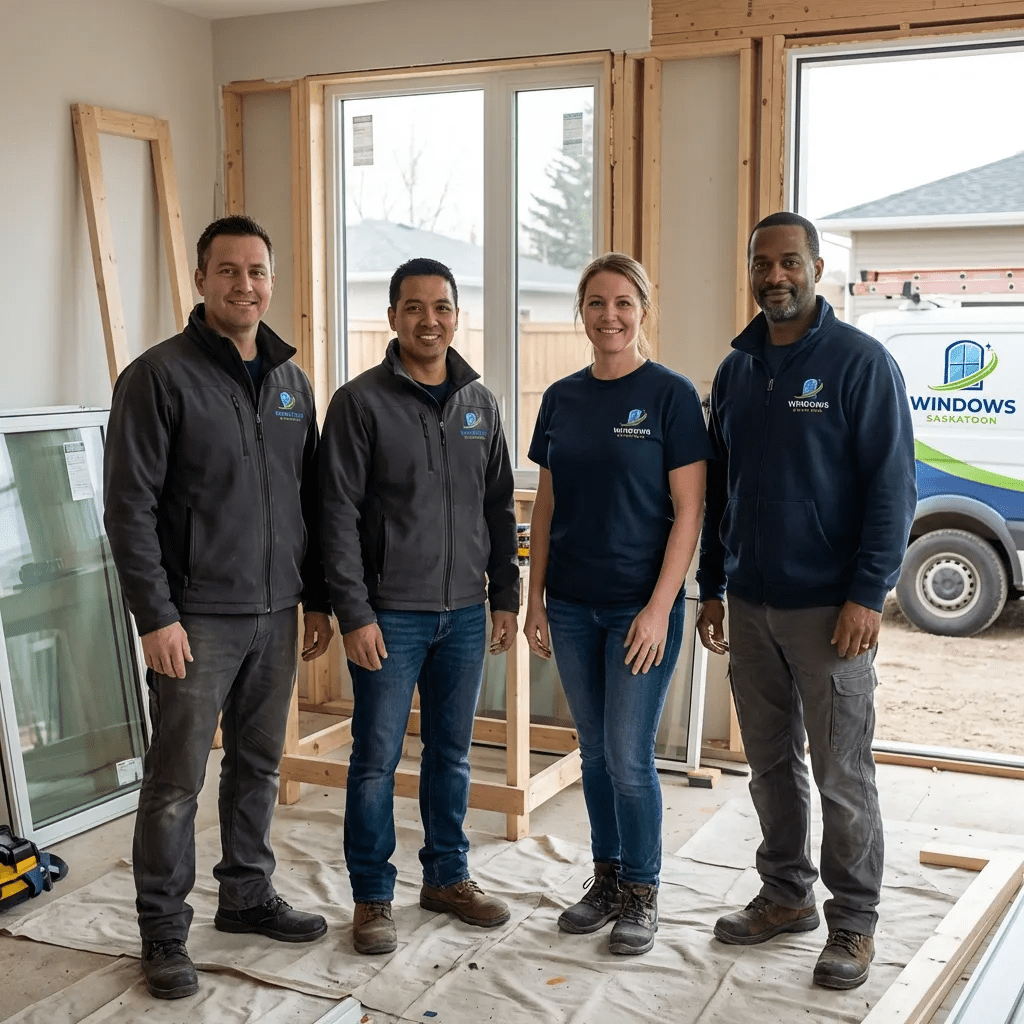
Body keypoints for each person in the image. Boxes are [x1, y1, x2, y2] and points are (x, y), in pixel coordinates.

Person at [103, 215, 334, 1000]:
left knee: (258, 766)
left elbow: (312, 499)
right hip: (194, 618)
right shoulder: (157, 377)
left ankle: (245, 896)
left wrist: (318, 600)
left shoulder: (293, 382)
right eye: (228, 271)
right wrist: (156, 616)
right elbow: (128, 508)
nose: (245, 285)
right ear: (200, 281)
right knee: (175, 783)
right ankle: (163, 932)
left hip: (277, 612)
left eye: (258, 271)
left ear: (272, 281)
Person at [696, 211, 916, 990]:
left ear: (817, 269)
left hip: (831, 613)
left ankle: (853, 921)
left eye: (790, 261)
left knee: (842, 773)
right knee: (768, 765)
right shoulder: (735, 371)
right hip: (750, 604)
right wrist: (712, 584)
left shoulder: (861, 364)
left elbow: (893, 490)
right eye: (763, 262)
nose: (775, 276)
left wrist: (867, 594)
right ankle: (787, 894)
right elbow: (722, 489)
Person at [320, 257, 519, 956]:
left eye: (440, 307)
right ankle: (373, 896)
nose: (427, 320)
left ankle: (447, 877)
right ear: (393, 317)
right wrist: (354, 612)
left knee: (453, 754)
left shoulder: (480, 403)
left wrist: (505, 596)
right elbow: (336, 515)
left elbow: (498, 507)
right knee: (375, 758)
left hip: (466, 612)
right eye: (413, 308)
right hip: (389, 615)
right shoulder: (360, 403)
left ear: (457, 316)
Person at [524, 252, 711, 956]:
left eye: (623, 303)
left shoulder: (669, 395)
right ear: (582, 312)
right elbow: (545, 507)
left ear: (643, 311)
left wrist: (661, 608)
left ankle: (642, 890)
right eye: (596, 303)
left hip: (642, 607)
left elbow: (689, 512)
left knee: (631, 757)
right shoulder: (563, 398)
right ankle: (604, 880)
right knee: (595, 753)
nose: (610, 316)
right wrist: (535, 598)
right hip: (571, 606)